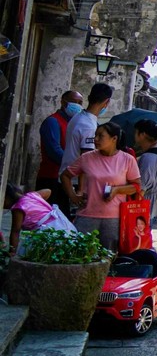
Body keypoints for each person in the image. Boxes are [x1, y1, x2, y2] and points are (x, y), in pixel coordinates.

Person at [61, 122, 140, 250]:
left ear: (114, 139)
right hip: (87, 216)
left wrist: (117, 190)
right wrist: (73, 196)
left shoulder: (127, 159)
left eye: (100, 136)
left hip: (114, 218)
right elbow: (65, 175)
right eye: (95, 136)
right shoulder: (86, 158)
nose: (96, 140)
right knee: (81, 254)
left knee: (109, 257)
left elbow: (136, 186)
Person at [58, 82, 114, 199]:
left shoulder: (78, 117)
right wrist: (81, 190)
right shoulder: (88, 125)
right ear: (107, 102)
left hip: (67, 177)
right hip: (75, 182)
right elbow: (86, 160)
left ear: (89, 97)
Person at [36, 90, 82, 215]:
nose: (78, 105)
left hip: (65, 178)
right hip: (51, 177)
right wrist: (76, 165)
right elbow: (53, 151)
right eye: (74, 102)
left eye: (80, 103)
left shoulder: (73, 123)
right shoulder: (52, 122)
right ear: (63, 102)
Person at [5, 185, 78, 255]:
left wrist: (12, 251)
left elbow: (15, 231)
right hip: (59, 223)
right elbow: (48, 191)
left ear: (7, 198)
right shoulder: (31, 196)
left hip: (45, 230)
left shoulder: (18, 209)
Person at [133, 119, 157, 225]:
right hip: (152, 205)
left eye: (136, 132)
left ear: (142, 134)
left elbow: (142, 187)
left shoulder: (149, 157)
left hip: (144, 206)